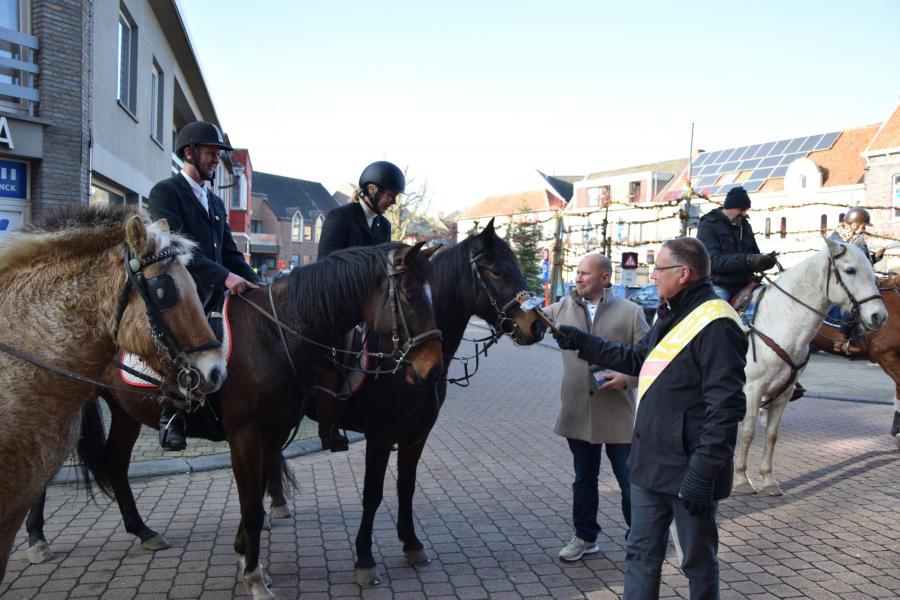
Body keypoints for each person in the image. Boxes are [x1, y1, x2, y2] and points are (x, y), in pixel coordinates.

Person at [553, 237, 747, 600]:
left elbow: (727, 409)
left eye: (659, 268)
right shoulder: (668, 312)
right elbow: (634, 358)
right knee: (640, 554)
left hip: (690, 469)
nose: (653, 275)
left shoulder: (717, 323)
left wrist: (702, 476)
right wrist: (580, 339)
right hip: (650, 462)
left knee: (697, 562)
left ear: (684, 273)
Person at [148, 121, 259, 451]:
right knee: (179, 339)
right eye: (211, 153)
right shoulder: (166, 192)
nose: (215, 160)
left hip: (213, 290)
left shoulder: (214, 203)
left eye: (216, 154)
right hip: (180, 293)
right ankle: (171, 415)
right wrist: (224, 277)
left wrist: (256, 283)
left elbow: (228, 253)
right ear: (189, 153)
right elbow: (177, 248)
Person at [544, 253, 649, 561]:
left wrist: (628, 379)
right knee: (584, 479)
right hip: (578, 411)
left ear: (605, 278)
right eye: (577, 272)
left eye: (585, 273)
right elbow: (528, 329)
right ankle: (585, 538)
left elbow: (650, 358)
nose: (578, 278)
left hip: (619, 413)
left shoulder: (631, 312)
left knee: (630, 480)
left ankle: (640, 537)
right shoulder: (559, 308)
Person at [314, 160, 405, 451]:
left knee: (395, 347)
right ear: (373, 189)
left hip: (371, 306)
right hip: (338, 305)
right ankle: (328, 426)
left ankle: (380, 419)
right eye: (391, 194)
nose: (394, 201)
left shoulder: (384, 225)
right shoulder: (340, 218)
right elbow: (325, 265)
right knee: (336, 352)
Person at [696, 186, 776, 302]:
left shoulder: (745, 225)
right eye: (741, 209)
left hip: (746, 284)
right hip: (719, 285)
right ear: (730, 207)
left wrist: (764, 260)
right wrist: (746, 260)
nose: (744, 214)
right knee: (719, 312)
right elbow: (712, 261)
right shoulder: (708, 226)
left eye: (746, 210)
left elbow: (754, 254)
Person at [826, 207, 885, 354]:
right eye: (863, 225)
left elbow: (862, 263)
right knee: (857, 301)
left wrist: (875, 257)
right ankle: (841, 338)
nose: (864, 228)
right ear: (853, 224)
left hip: (856, 278)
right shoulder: (836, 240)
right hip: (840, 281)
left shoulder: (857, 239)